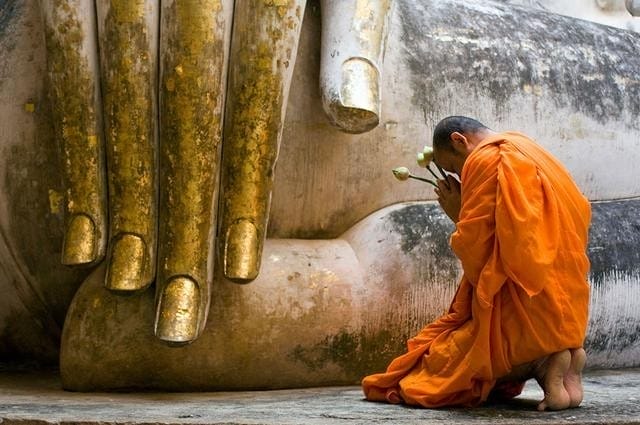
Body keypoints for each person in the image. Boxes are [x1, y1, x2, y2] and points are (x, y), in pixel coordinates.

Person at [362, 116, 591, 411]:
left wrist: (458, 214)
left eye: (454, 167)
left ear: (460, 140)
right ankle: (564, 359)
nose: (458, 174)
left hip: (524, 303)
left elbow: (484, 252)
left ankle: (542, 362)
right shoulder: (532, 149)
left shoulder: (487, 158)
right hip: (567, 306)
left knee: (429, 374)